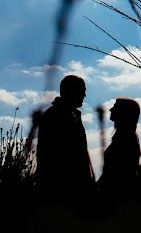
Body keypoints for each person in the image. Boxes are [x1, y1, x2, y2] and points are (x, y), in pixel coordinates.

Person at [35, 74, 95, 203]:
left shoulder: (69, 114)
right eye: (82, 91)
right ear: (71, 91)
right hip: (61, 189)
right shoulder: (57, 115)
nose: (84, 95)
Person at [98, 97, 141, 202]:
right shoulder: (124, 137)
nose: (110, 110)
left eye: (115, 107)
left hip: (116, 198)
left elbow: (116, 173)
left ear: (124, 113)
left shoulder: (126, 139)